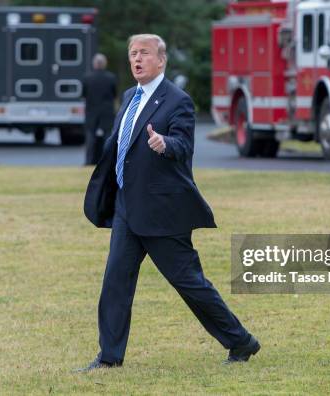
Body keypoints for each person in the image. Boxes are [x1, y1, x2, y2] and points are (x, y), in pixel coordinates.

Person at [78, 34, 260, 372]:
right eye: (132, 53)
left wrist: (166, 144)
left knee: (190, 284)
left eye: (144, 53)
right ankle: (109, 357)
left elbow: (184, 144)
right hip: (126, 208)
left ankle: (240, 341)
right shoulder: (131, 95)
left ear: (161, 60)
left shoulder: (178, 100)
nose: (137, 59)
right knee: (115, 282)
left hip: (162, 212)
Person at [82, 53, 117, 165]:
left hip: (91, 111)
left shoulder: (87, 78)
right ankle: (107, 161)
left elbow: (83, 95)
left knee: (90, 137)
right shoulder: (111, 77)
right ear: (105, 64)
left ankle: (88, 161)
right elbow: (114, 94)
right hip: (106, 111)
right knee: (107, 137)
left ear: (94, 64)